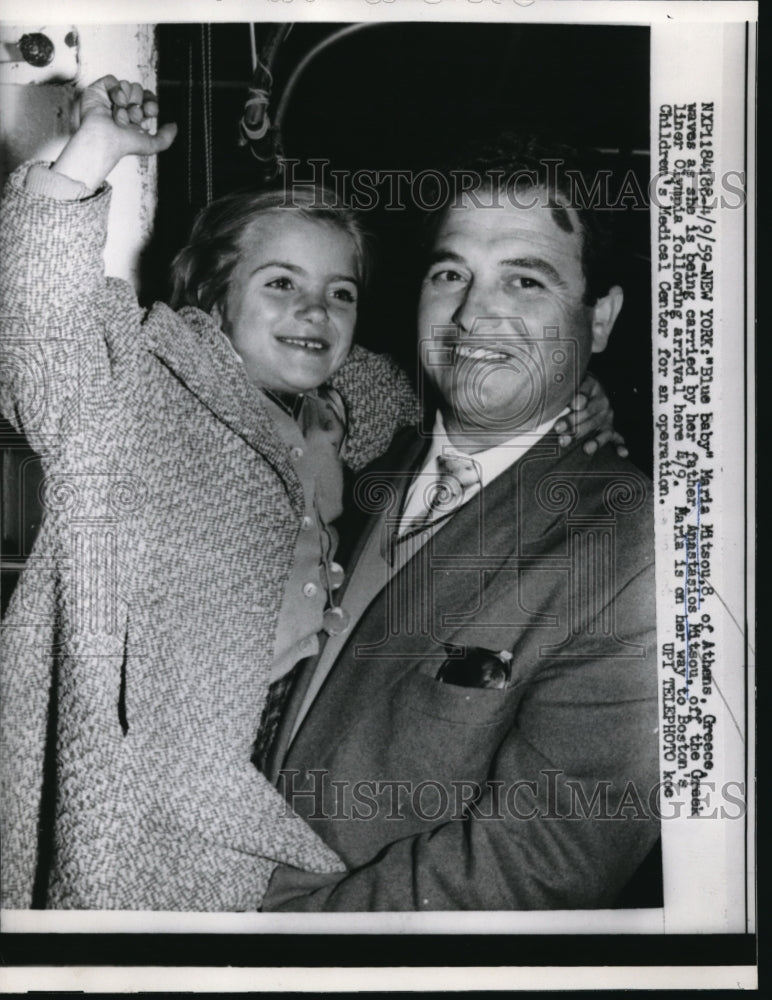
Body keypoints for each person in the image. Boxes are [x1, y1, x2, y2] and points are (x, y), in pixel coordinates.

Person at [0, 81, 617, 911]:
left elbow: (466, 396)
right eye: (281, 284)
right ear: (215, 295)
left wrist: (583, 394)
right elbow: (44, 323)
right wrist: (92, 155)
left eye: (341, 293)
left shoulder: (362, 421)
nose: (315, 312)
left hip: (274, 816)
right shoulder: (137, 392)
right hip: (141, 821)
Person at [260, 136, 660, 911]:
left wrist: (268, 947)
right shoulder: (366, 460)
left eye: (526, 280)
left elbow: (533, 867)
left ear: (600, 317)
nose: (475, 313)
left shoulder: (634, 551)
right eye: (451, 274)